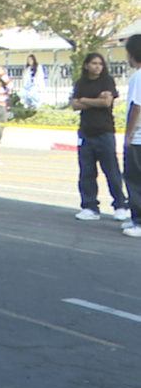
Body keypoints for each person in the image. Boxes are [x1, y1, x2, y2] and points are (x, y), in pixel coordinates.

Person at [70, 52, 128, 221]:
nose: (97, 66)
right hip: (86, 132)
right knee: (87, 172)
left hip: (104, 131)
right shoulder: (81, 83)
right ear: (87, 65)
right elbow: (74, 105)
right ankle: (90, 206)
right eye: (94, 63)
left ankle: (120, 205)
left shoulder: (107, 81)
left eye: (100, 64)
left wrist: (85, 100)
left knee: (111, 171)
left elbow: (106, 103)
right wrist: (93, 100)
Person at [121, 36, 141, 237]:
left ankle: (139, 221)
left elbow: (136, 107)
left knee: (135, 179)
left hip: (138, 138)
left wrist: (128, 135)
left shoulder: (138, 77)